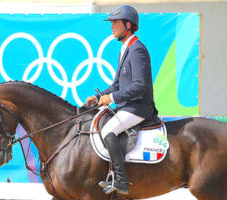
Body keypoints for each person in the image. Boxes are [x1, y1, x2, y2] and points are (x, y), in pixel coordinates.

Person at [85, 5, 159, 195]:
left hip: (139, 108)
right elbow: (118, 84)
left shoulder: (137, 50)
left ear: (128, 25)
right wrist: (99, 96)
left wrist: (113, 97)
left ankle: (121, 180)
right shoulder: (125, 50)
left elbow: (140, 85)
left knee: (109, 130)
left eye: (115, 22)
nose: (112, 27)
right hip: (127, 106)